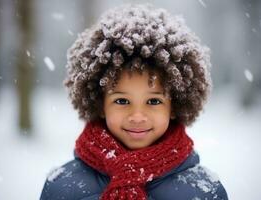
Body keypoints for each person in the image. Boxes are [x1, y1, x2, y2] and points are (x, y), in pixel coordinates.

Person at [40, 4, 228, 200]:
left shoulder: (204, 191)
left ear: (175, 105)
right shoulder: (62, 187)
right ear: (100, 104)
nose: (137, 116)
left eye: (153, 101)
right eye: (122, 100)